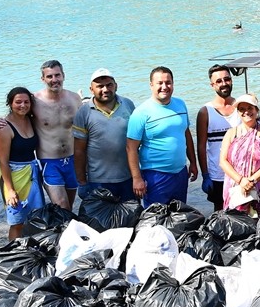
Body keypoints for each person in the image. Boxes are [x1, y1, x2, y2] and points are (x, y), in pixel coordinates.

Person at [126, 66, 197, 207]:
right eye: (160, 83)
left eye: (168, 82)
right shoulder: (141, 113)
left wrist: (193, 163)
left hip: (180, 173)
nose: (164, 87)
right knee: (156, 217)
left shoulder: (180, 104)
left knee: (179, 214)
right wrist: (137, 178)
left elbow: (186, 134)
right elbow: (131, 148)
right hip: (155, 176)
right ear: (151, 85)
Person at [72, 68, 137, 201]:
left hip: (128, 177)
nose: (105, 89)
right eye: (100, 86)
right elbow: (79, 151)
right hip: (98, 181)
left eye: (109, 85)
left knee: (133, 214)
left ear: (116, 86)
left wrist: (138, 176)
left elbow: (137, 141)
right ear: (91, 89)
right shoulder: (83, 112)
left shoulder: (128, 104)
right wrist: (82, 181)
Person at [32, 60, 83, 210]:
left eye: (57, 75)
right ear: (43, 79)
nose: (54, 80)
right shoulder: (34, 101)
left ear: (63, 75)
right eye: (49, 76)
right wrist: (0, 122)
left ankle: (64, 225)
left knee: (69, 208)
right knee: (61, 205)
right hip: (49, 161)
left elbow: (85, 127)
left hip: (73, 159)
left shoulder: (75, 98)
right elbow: (16, 116)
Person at [0, 87, 44, 240]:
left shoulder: (31, 120)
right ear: (10, 103)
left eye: (26, 102)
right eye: (18, 102)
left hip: (32, 173)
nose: (22, 105)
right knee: (17, 221)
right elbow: (3, 162)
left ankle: (30, 249)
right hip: (13, 175)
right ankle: (14, 250)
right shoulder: (4, 128)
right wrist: (10, 190)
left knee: (35, 216)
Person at [218, 93, 260, 213]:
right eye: (242, 109)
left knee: (259, 220)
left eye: (250, 108)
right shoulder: (231, 133)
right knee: (235, 220)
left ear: (256, 110)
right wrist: (241, 180)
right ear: (238, 112)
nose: (246, 112)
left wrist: (251, 181)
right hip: (235, 187)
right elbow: (223, 161)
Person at [197, 64, 237, 211]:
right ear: (212, 85)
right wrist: (205, 175)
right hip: (217, 175)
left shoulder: (242, 107)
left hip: (241, 174)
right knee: (220, 214)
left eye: (227, 79)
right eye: (219, 81)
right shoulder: (205, 112)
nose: (224, 83)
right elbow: (201, 146)